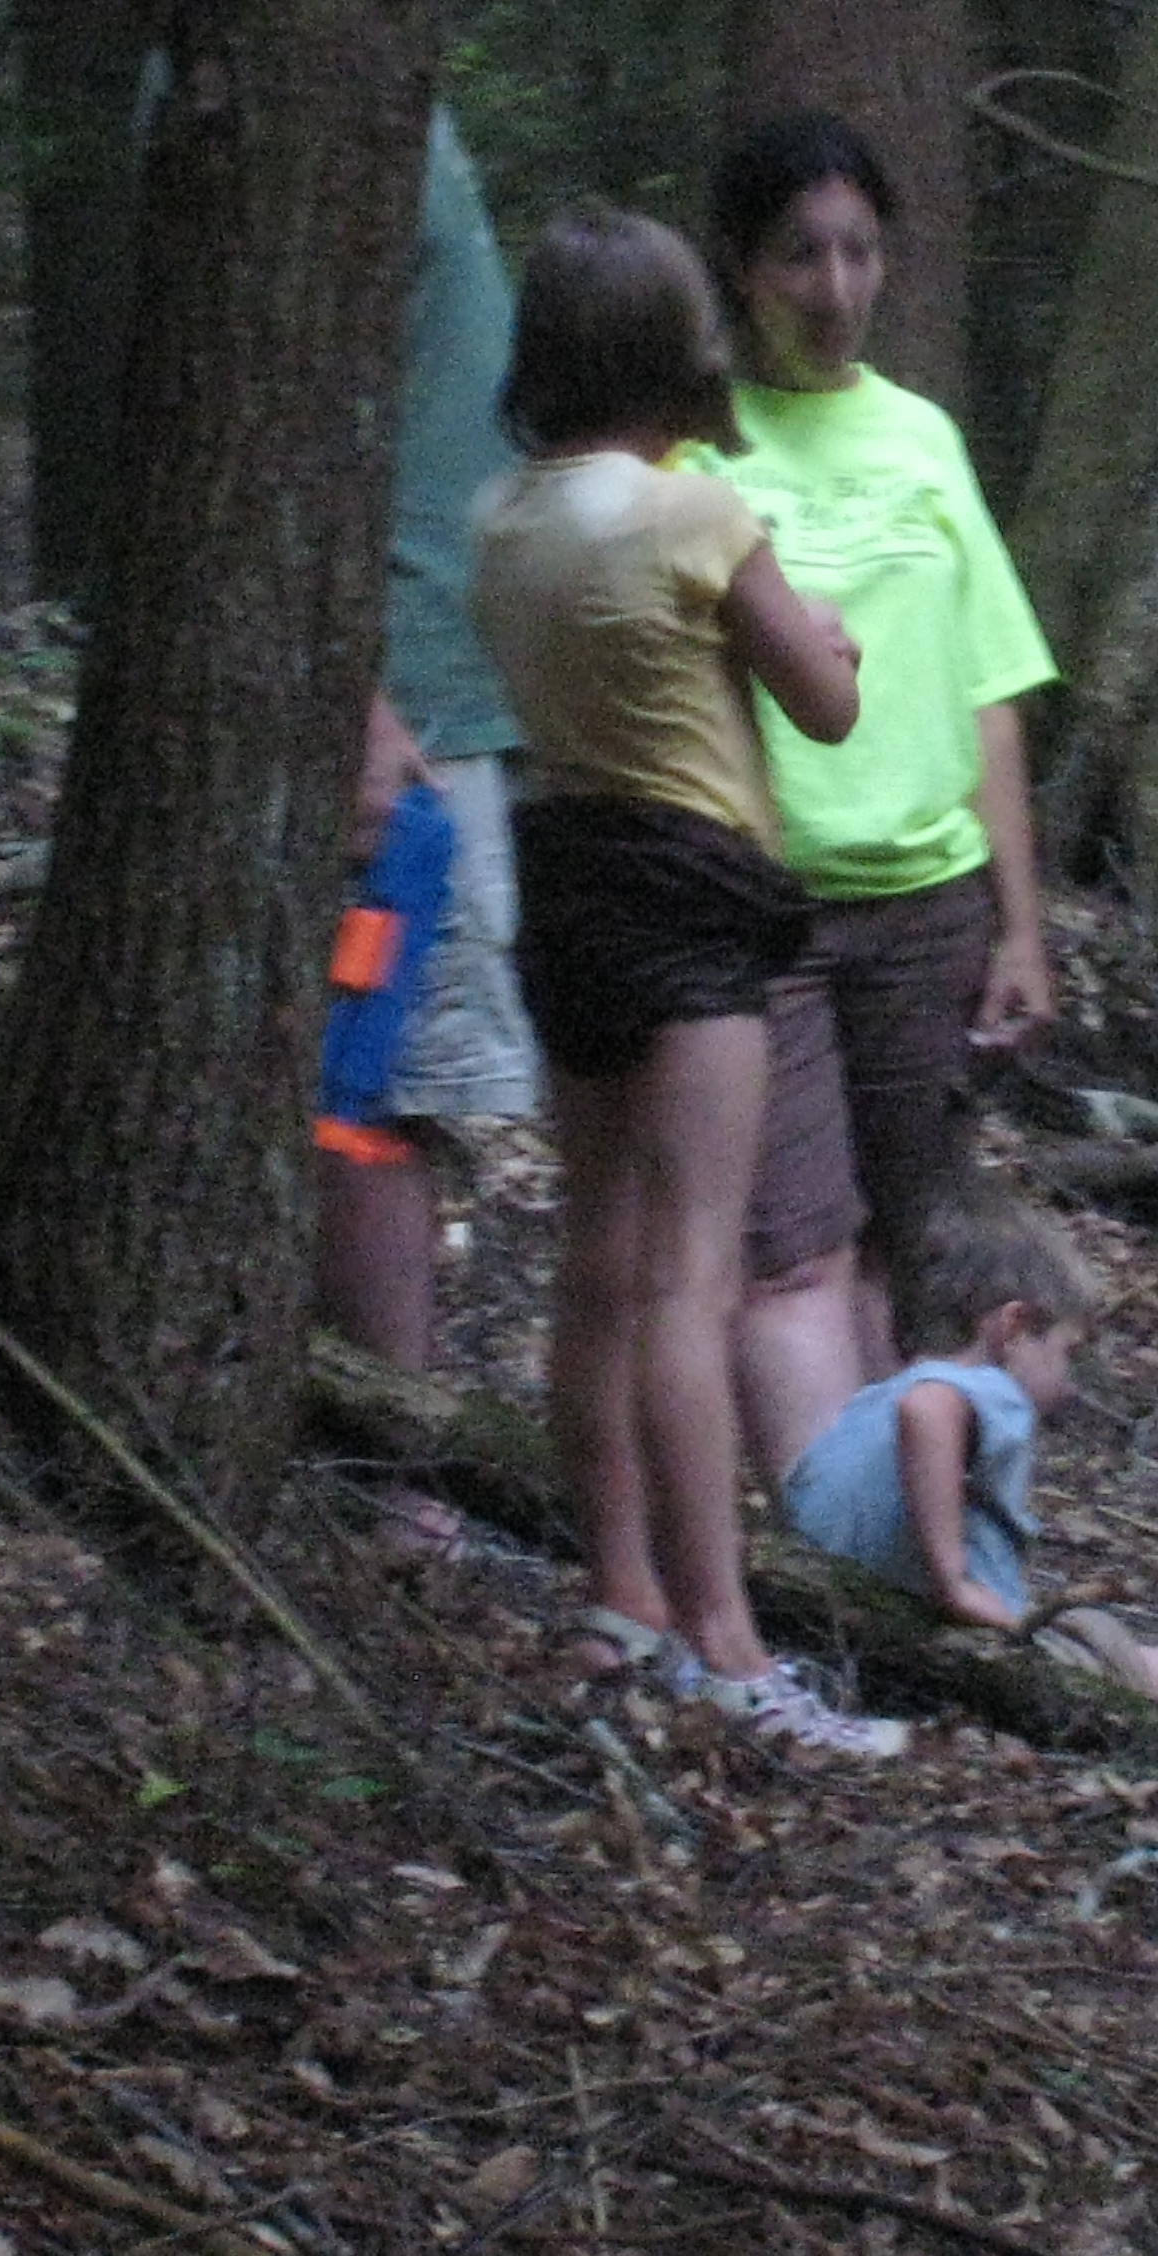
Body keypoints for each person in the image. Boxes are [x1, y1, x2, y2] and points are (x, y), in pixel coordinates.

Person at [468, 204, 904, 1760]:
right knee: (693, 1276)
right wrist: (825, 634)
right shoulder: (693, 514)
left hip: (560, 873)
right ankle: (727, 1644)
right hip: (693, 893)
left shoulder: (502, 514)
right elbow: (828, 702)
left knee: (598, 1260)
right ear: (677, 351)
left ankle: (621, 1595)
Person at [695, 111, 1062, 1422]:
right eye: (801, 254)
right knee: (795, 1249)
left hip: (926, 909)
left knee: (915, 1244)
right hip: (763, 905)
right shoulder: (699, 448)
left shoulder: (923, 439)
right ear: (745, 269)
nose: (836, 287)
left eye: (860, 252)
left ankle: (905, 1508)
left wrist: (1022, 930)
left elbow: (990, 695)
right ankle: (830, 1520)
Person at [311, 109, 543, 1554]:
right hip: (403, 721)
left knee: (402, 1092)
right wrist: (355, 692)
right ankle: (389, 1481)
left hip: (448, 694)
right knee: (375, 1088)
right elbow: (269, 412)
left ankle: (378, 1450)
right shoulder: (290, 90)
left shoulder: (399, 89)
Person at [780, 1189, 1158, 1740]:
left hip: (847, 1650)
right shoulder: (985, 1386)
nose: (1071, 1386)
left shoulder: (862, 1408)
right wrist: (955, 1584)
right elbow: (928, 1410)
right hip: (960, 1650)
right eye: (1068, 1353)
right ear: (1014, 1328)